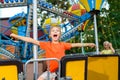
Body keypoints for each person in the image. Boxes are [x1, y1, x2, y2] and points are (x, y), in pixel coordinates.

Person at [10, 25, 96, 80]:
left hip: (61, 71)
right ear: (50, 35)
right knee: (40, 79)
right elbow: (31, 40)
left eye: (57, 31)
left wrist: (88, 44)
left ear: (60, 34)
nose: (55, 32)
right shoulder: (47, 44)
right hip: (51, 72)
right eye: (53, 31)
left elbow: (75, 45)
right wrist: (16, 36)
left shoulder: (63, 45)